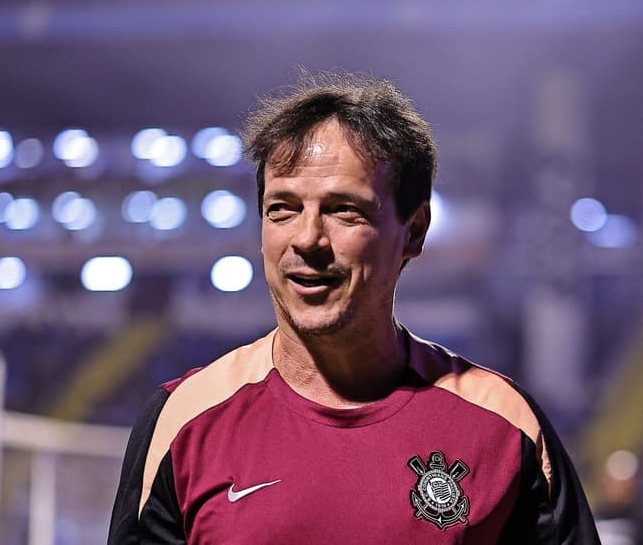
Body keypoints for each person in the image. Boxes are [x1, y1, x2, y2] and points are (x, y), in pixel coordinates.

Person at [108, 71, 600, 544]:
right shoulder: (185, 420)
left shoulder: (505, 424)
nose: (307, 239)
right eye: (282, 208)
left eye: (344, 209)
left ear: (414, 230)